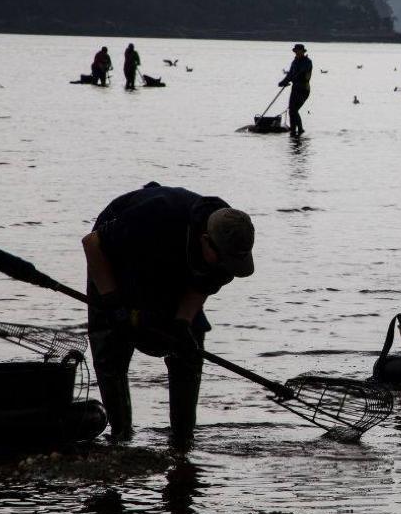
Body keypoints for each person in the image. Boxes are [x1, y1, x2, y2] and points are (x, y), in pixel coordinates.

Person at [82, 182, 255, 445]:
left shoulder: (228, 245)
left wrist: (182, 323)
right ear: (205, 240)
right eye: (223, 262)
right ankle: (121, 435)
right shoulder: (155, 216)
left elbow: (202, 285)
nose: (226, 269)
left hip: (176, 268)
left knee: (189, 348)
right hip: (120, 260)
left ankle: (182, 440)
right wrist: (113, 303)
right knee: (111, 343)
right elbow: (93, 244)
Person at [279, 43, 313, 137]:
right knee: (291, 110)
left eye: (298, 51)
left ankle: (301, 130)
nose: (297, 52)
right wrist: (283, 82)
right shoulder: (294, 62)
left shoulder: (307, 62)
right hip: (295, 88)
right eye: (296, 51)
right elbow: (290, 74)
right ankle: (293, 130)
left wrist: (292, 78)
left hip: (304, 89)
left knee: (294, 110)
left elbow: (301, 72)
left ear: (302, 51)